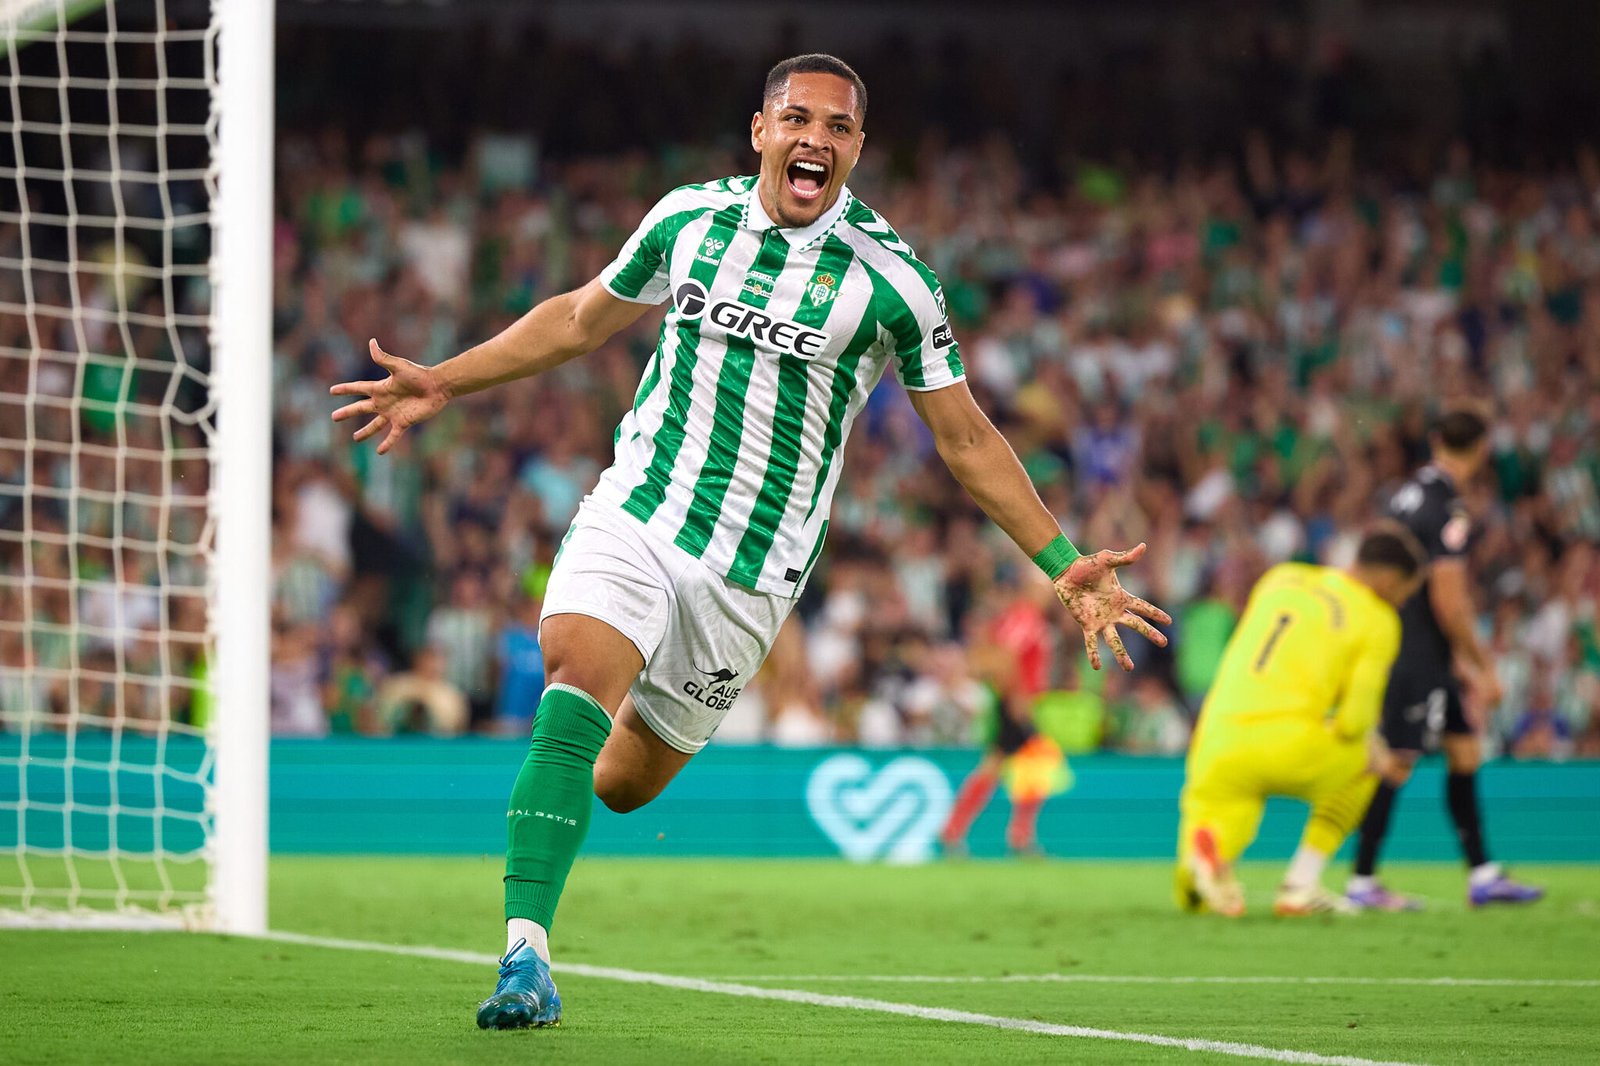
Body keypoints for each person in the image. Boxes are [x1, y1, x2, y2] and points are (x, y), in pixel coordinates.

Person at [332, 53, 1169, 1030]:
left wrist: (1063, 562)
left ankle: (573, 782)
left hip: (752, 575)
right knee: (573, 679)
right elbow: (576, 319)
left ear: (856, 149)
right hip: (638, 512)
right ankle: (527, 954)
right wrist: (448, 379)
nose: (815, 137)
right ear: (761, 130)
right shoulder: (689, 220)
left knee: (627, 784)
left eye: (838, 126)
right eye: (797, 118)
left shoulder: (894, 282)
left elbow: (966, 436)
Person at [1346, 406, 1543, 910]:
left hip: (1404, 637)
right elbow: (1449, 600)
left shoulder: (1404, 494)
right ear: (1480, 450)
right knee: (1398, 760)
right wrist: (1479, 664)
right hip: (1420, 649)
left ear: (1435, 440)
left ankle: (1482, 874)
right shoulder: (1449, 508)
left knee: (1464, 750)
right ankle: (1363, 880)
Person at [1175, 525, 1425, 917]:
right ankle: (1300, 885)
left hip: (1217, 737)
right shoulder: (1378, 619)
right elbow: (1354, 720)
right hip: (1287, 741)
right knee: (1367, 763)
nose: (1403, 601)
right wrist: (1371, 747)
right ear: (1390, 579)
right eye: (1406, 592)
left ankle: (1202, 864)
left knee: (1213, 832)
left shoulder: (1282, 576)